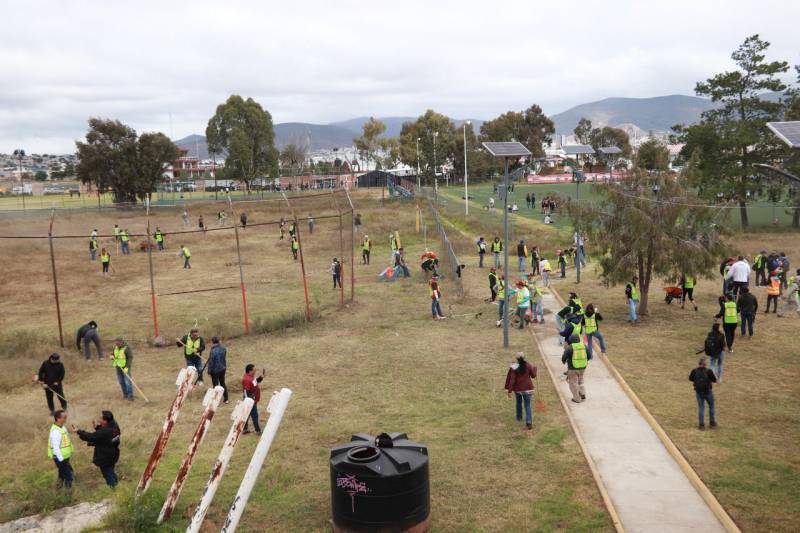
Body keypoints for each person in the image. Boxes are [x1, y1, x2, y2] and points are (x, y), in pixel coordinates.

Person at [74, 411, 121, 488]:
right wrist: (97, 427)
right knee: (111, 470)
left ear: (105, 421)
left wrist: (79, 431)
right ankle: (116, 484)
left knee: (107, 473)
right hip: (113, 453)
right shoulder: (114, 425)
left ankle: (113, 489)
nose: (98, 419)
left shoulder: (104, 432)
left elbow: (91, 437)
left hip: (105, 456)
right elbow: (104, 435)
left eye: (100, 418)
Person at [505, 353, 537, 430]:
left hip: (518, 389)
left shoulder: (514, 367)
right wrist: (535, 369)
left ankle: (519, 417)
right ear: (524, 358)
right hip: (528, 389)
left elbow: (512, 380)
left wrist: (509, 391)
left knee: (518, 402)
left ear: (516, 359)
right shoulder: (528, 365)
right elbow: (533, 375)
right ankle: (529, 422)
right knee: (527, 405)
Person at [689, 357, 717, 430]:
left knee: (701, 408)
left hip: (698, 392)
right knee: (711, 406)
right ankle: (712, 423)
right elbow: (714, 380)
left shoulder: (694, 371)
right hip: (708, 392)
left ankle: (701, 425)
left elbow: (690, 378)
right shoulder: (709, 371)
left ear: (699, 364)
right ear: (705, 364)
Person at [48, 410, 74, 488]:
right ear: (58, 419)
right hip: (61, 458)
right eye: (64, 417)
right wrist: (62, 460)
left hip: (65, 457)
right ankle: (67, 496)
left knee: (62, 475)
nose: (66, 419)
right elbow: (56, 448)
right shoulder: (55, 431)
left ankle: (58, 490)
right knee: (69, 476)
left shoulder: (62, 427)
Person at [561, 334, 590, 403]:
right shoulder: (584, 346)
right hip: (583, 367)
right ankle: (582, 393)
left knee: (573, 383)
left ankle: (577, 398)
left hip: (573, 368)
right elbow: (589, 356)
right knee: (580, 380)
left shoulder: (570, 348)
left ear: (571, 341)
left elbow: (564, 357)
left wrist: (564, 361)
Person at [242, 364, 264, 434]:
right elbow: (246, 391)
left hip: (253, 399)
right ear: (250, 371)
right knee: (254, 415)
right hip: (250, 401)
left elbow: (255, 382)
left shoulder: (251, 377)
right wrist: (249, 401)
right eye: (254, 370)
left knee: (247, 414)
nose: (255, 371)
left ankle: (244, 429)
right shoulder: (246, 380)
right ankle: (258, 430)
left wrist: (260, 378)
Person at [207, 337, 228, 403]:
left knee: (215, 385)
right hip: (222, 368)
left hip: (215, 370)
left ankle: (216, 400)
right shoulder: (223, 349)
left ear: (212, 342)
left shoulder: (213, 351)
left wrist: (209, 371)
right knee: (222, 383)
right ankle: (226, 398)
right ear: (218, 341)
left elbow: (211, 362)